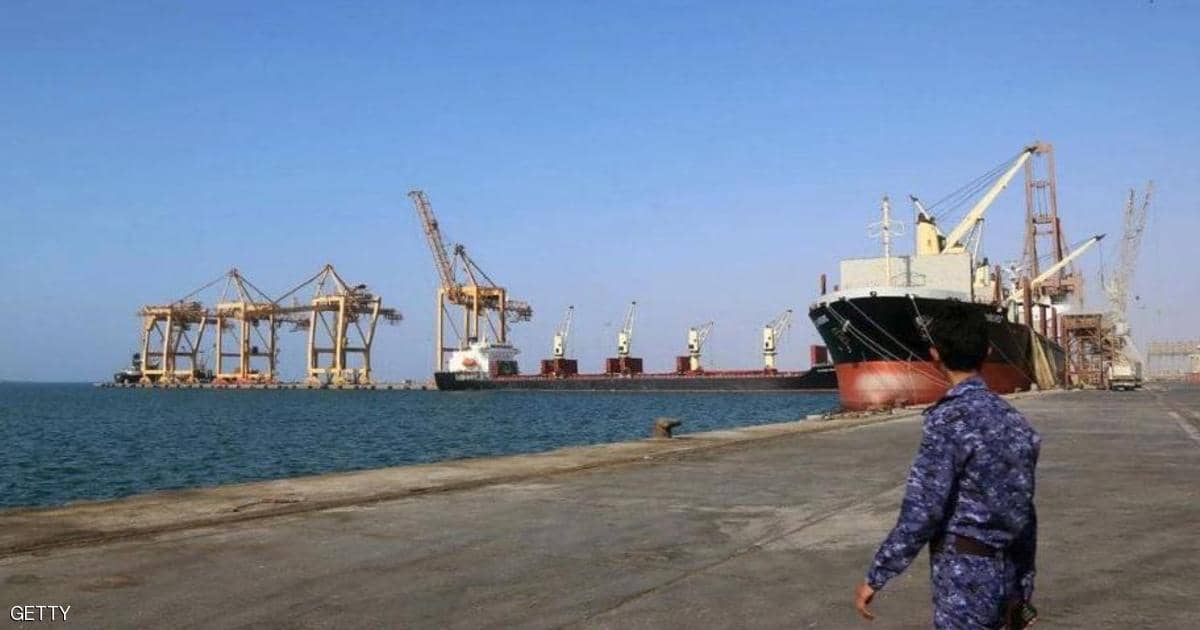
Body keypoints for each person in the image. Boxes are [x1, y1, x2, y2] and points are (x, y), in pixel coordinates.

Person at [853, 304, 1040, 629]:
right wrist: (1022, 591)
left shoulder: (948, 421)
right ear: (988, 351)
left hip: (964, 581)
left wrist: (877, 575)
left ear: (934, 355)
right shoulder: (1017, 423)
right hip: (1006, 575)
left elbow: (923, 510)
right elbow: (1024, 513)